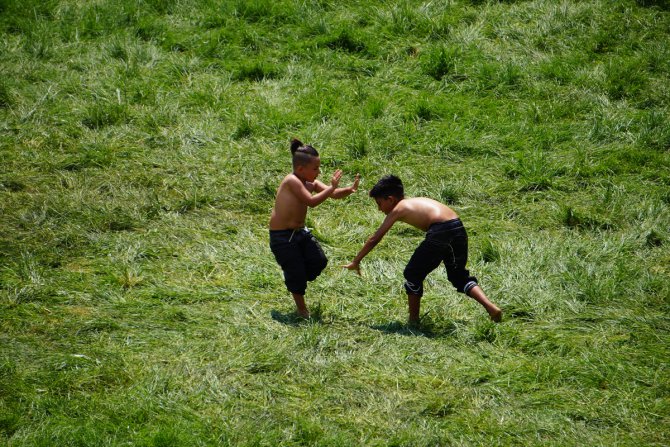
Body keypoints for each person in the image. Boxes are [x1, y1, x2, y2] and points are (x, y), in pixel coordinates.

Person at [343, 175, 501, 325]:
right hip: (458, 228)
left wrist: (356, 260)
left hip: (441, 230)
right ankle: (491, 308)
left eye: (379, 204)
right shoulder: (415, 201)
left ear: (390, 199)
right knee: (458, 276)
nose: (379, 209)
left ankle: (413, 321)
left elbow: (375, 238)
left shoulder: (399, 208)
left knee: (412, 273)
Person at [270, 138, 360, 318]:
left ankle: (296, 277)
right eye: (315, 169)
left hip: (300, 233)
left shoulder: (310, 182)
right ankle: (301, 310)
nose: (319, 172)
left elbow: (332, 194)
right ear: (301, 169)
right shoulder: (292, 181)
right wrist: (332, 187)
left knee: (319, 261)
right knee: (295, 272)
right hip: (282, 237)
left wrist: (348, 189)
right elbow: (311, 202)